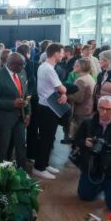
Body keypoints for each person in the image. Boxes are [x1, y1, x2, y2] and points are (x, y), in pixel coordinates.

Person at [0, 53, 30, 168]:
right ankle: (2, 174)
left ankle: (22, 173)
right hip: (3, 118)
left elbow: (26, 94)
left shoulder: (22, 73)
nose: (23, 67)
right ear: (12, 64)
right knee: (3, 148)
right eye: (21, 65)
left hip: (20, 116)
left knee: (21, 146)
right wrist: (12, 103)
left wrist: (28, 113)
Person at [33, 43, 68, 180]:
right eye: (62, 53)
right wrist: (63, 92)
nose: (63, 55)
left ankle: (44, 164)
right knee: (46, 138)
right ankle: (39, 167)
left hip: (46, 106)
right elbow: (62, 89)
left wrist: (62, 92)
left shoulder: (44, 66)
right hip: (48, 107)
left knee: (48, 138)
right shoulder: (49, 69)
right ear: (55, 54)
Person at [67, 59, 96, 140]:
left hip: (81, 110)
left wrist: (66, 95)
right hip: (87, 109)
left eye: (76, 65)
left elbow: (78, 98)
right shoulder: (89, 77)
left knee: (79, 133)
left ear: (82, 67)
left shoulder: (81, 80)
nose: (73, 67)